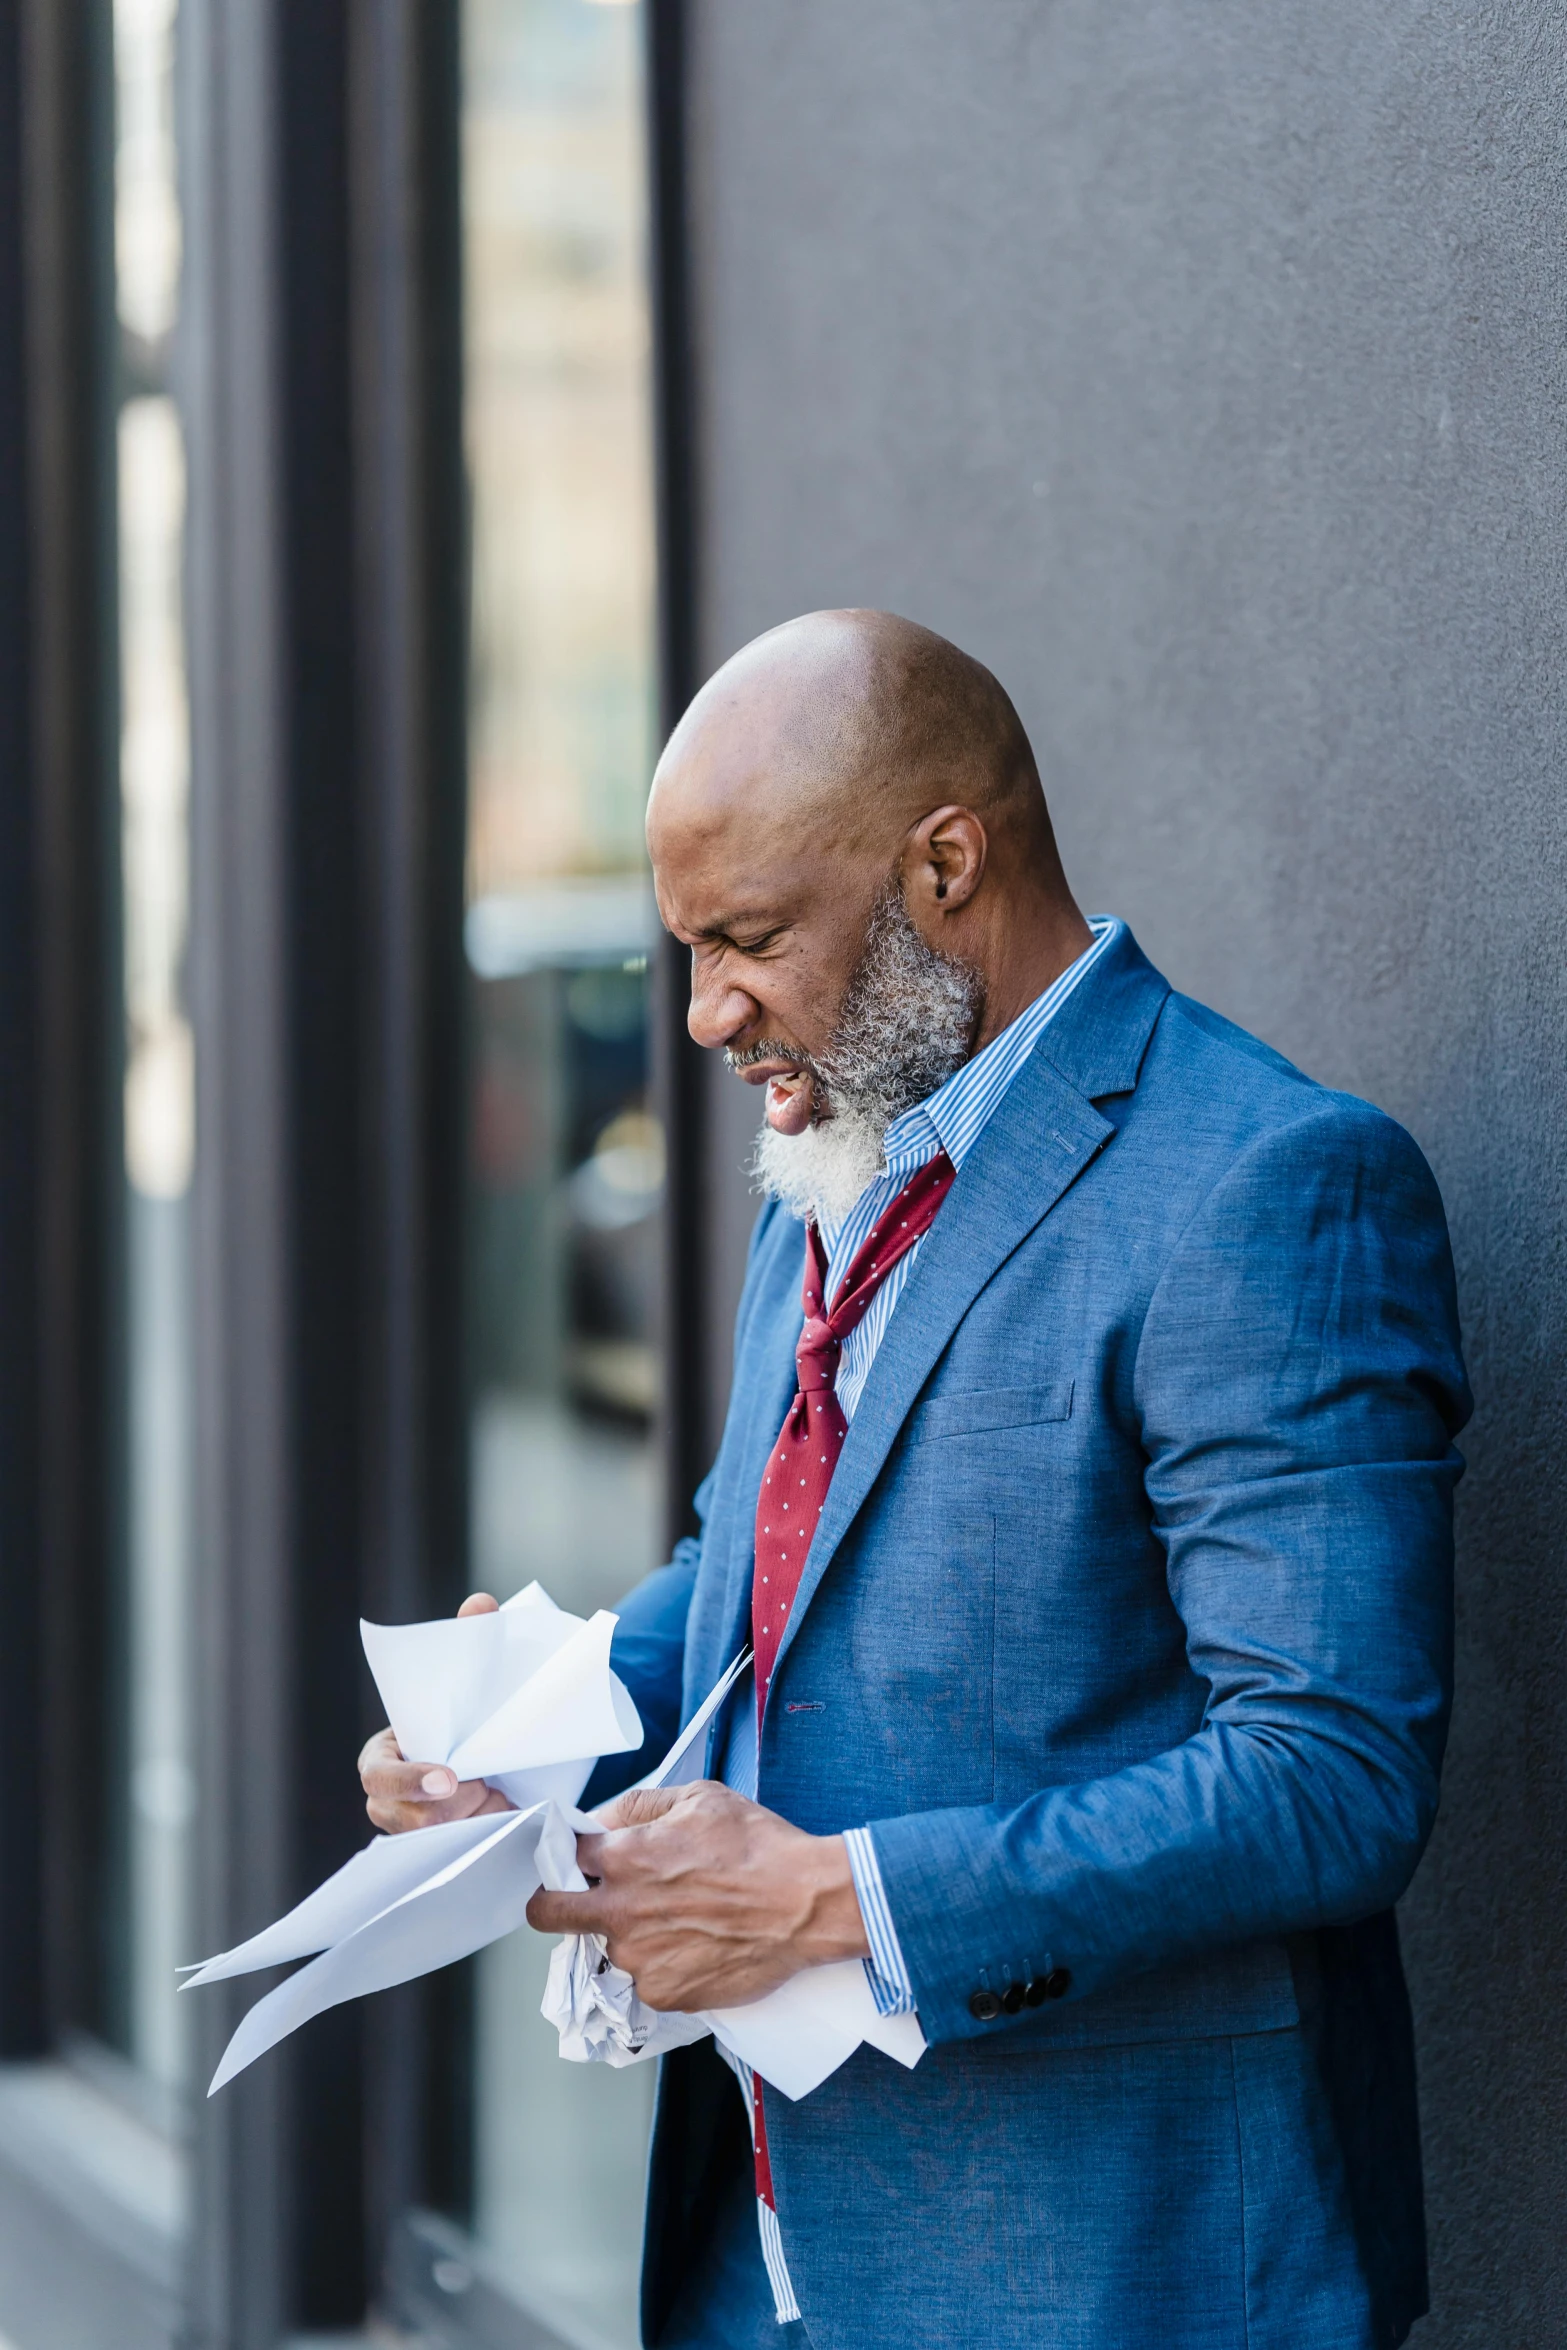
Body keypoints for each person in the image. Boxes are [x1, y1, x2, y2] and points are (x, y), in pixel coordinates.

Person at [361, 610, 1471, 2350]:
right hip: (761, 2257)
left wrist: (828, 1897)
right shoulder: (825, 1145)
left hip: (1111, 2268)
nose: (707, 1009)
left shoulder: (1268, 1184)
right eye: (684, 949)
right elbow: (752, 1571)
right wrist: (527, 1733)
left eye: (747, 940)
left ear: (945, 861)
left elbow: (1327, 1774)